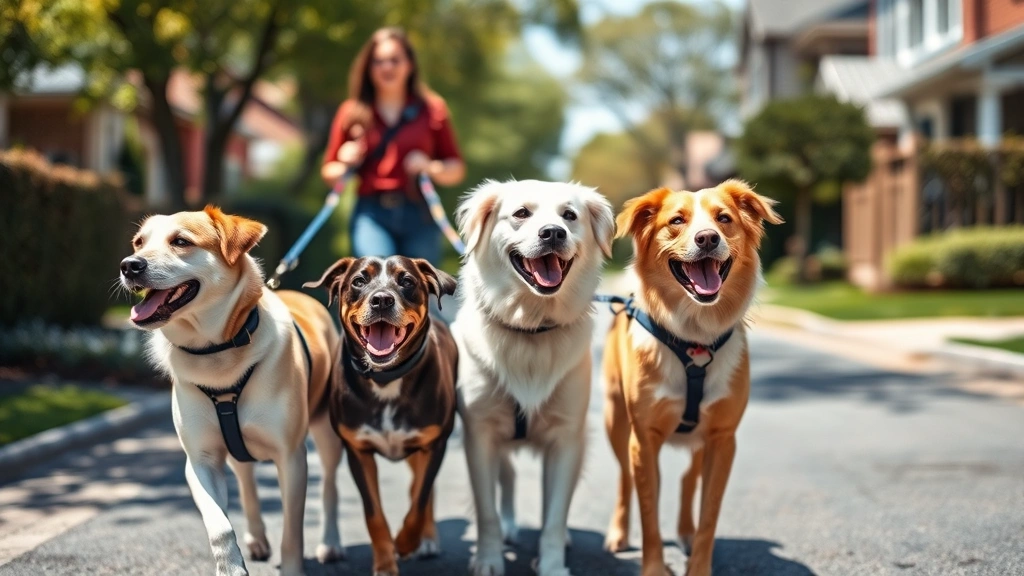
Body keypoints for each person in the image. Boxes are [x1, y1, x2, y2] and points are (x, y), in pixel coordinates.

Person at [321, 27, 466, 267]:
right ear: (369, 68)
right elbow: (329, 175)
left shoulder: (432, 109)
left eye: (394, 60)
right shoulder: (351, 112)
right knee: (378, 282)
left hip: (420, 214)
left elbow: (456, 169)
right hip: (371, 213)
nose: (386, 67)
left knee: (420, 292)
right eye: (378, 61)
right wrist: (345, 161)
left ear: (409, 65)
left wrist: (429, 167)